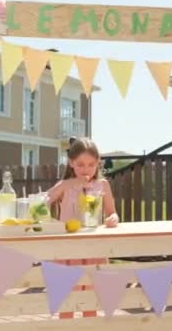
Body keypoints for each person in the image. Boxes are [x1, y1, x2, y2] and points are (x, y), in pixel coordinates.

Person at [46, 137, 119, 319]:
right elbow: (43, 202)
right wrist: (66, 184)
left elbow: (113, 213)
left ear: (98, 163)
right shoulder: (65, 185)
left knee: (90, 303)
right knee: (67, 304)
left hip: (93, 251)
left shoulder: (102, 185)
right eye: (80, 165)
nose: (86, 170)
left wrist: (112, 219)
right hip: (67, 253)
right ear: (71, 163)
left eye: (91, 165)